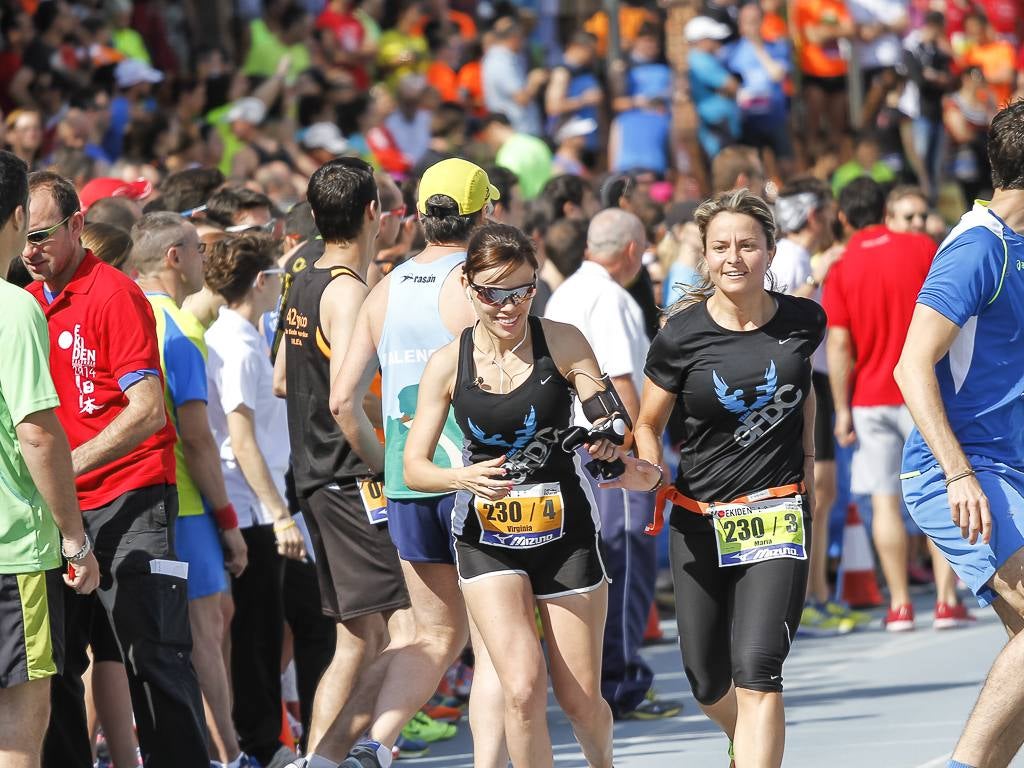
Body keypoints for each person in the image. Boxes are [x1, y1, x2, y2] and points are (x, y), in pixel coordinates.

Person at [607, 188, 825, 768]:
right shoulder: (681, 336)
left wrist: (807, 463)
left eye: (748, 245)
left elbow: (802, 391)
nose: (734, 258)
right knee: (708, 680)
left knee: (757, 672)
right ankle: (744, 742)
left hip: (777, 516)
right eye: (721, 247)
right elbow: (647, 421)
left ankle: (756, 749)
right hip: (700, 517)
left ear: (771, 251)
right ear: (702, 256)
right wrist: (650, 470)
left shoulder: (805, 320)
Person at [404, 222, 616, 767]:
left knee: (579, 700)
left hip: (564, 532)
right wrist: (463, 479)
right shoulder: (448, 362)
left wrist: (608, 428)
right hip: (486, 535)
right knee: (520, 688)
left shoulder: (561, 339)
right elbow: (415, 467)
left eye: (522, 290)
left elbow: (603, 407)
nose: (509, 305)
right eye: (494, 292)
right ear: (471, 290)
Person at [21, 171, 207, 768]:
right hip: (57, 511)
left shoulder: (113, 293)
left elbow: (149, 409)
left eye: (42, 234)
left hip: (130, 497)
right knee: (55, 668)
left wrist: (66, 464)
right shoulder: (24, 303)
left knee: (151, 658)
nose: (29, 250)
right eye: (21, 236)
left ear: (77, 224)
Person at [332, 158, 506, 768]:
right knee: (491, 647)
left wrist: (391, 468)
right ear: (483, 214)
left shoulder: (386, 286)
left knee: (432, 635)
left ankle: (372, 745)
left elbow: (341, 402)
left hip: (411, 486)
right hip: (476, 482)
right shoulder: (478, 286)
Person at [896, 99, 1024, 768]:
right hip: (962, 470)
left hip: (1006, 466)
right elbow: (910, 365)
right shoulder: (978, 248)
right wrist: (958, 472)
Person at [276, 157, 410, 767]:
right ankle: (358, 752)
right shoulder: (351, 291)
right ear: (372, 214)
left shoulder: (300, 277)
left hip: (313, 473)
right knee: (403, 630)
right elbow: (345, 400)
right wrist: (387, 464)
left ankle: (318, 760)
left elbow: (282, 379)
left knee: (357, 636)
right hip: (351, 477)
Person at [545, 208, 679, 720]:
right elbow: (621, 383)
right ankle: (620, 683)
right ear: (630, 251)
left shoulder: (569, 292)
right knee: (626, 565)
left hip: (575, 446)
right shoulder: (611, 297)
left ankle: (603, 680)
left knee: (602, 568)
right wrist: (639, 457)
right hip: (608, 451)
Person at [823, 177, 972, 631]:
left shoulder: (843, 266)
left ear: (844, 218)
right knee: (945, 488)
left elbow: (839, 344)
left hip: (869, 397)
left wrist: (842, 407)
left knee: (885, 501)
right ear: (885, 210)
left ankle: (900, 605)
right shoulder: (921, 247)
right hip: (922, 392)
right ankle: (947, 600)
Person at [130, 212, 251, 767]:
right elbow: (199, 440)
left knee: (114, 650)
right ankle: (228, 755)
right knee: (204, 635)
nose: (208, 261)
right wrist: (228, 521)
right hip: (182, 502)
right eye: (199, 251)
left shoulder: (120, 312)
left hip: (128, 499)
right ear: (174, 257)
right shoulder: (178, 331)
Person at [0, 150, 99, 768]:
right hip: (13, 549)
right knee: (19, 721)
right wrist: (74, 539)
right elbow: (38, 433)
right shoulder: (16, 309)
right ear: (15, 215)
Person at [204, 234, 307, 768]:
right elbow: (241, 440)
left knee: (262, 629)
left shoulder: (234, 335)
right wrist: (279, 513)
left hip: (254, 502)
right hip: (252, 506)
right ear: (262, 282)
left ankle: (266, 738)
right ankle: (262, 742)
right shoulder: (239, 345)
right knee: (257, 633)